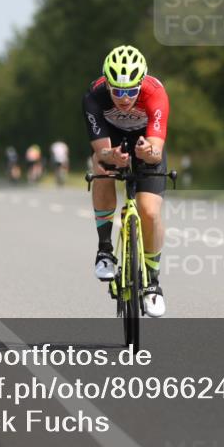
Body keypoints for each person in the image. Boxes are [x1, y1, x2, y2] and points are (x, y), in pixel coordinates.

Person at [82, 44, 169, 317]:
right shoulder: (94, 97)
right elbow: (101, 150)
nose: (123, 97)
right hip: (113, 143)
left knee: (150, 211)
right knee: (102, 169)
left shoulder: (155, 94)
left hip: (146, 144)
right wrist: (111, 156)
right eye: (117, 90)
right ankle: (105, 250)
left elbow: (156, 152)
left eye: (130, 91)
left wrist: (147, 153)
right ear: (107, 84)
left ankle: (153, 282)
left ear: (140, 83)